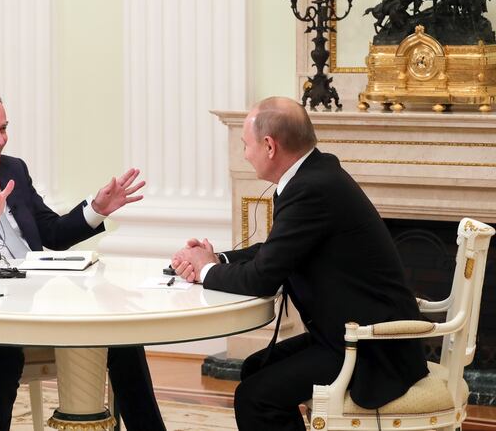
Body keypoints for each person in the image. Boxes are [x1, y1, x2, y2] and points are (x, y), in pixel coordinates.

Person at [0, 85, 166, 431]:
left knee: (119, 332)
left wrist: (96, 210)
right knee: (0, 350)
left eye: (3, 129)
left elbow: (53, 234)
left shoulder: (14, 168)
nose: (0, 140)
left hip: (38, 293)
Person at [171, 97, 428, 431]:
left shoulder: (312, 188)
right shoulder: (313, 175)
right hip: (347, 334)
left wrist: (205, 270)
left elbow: (263, 278)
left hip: (371, 349)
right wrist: (217, 259)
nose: (245, 154)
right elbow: (277, 252)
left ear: (269, 146)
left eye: (245, 145)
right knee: (255, 369)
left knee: (255, 396)